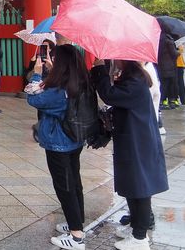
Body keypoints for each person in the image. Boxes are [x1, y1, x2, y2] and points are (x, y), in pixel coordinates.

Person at [92, 59, 168, 250]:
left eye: (116, 58)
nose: (114, 60)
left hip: (139, 142)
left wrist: (100, 69)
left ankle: (140, 238)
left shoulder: (135, 82)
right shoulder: (133, 78)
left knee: (140, 188)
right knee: (133, 186)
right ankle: (136, 226)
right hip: (134, 139)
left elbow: (109, 95)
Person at [26, 45, 89, 250]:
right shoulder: (79, 81)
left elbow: (34, 98)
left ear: (62, 64)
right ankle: (77, 221)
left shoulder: (59, 90)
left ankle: (76, 236)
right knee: (74, 181)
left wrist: (36, 76)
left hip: (58, 142)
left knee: (65, 187)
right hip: (74, 139)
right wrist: (53, 72)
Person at [155, 32, 179, 109]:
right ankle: (171, 101)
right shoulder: (168, 40)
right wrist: (179, 51)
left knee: (163, 84)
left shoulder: (157, 39)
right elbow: (174, 54)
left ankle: (162, 101)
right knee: (170, 84)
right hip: (169, 66)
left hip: (160, 65)